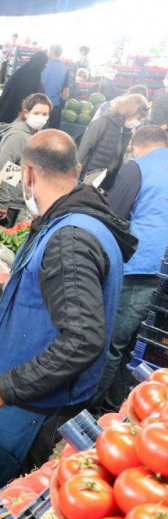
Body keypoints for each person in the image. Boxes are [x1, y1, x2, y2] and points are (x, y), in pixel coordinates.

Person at [0, 130, 136, 513]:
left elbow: (82, 339)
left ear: (27, 174)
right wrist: (0, 296)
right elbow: (61, 294)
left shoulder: (70, 238)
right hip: (31, 396)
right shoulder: (82, 220)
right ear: (76, 170)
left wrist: (6, 388)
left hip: (35, 406)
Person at [93, 126, 168, 411]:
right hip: (163, 273)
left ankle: (88, 409)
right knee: (139, 343)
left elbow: (113, 217)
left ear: (137, 146)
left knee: (112, 343)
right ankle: (116, 405)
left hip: (140, 268)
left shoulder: (138, 166)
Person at [0, 93, 52, 226]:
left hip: (15, 197)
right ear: (26, 113)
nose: (41, 117)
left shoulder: (33, 133)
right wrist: (4, 202)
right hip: (5, 201)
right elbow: (4, 169)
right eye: (37, 113)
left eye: (45, 114)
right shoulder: (18, 136)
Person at [78, 94, 149, 190]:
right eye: (138, 118)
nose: (138, 122)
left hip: (107, 178)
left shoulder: (126, 131)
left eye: (141, 119)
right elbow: (84, 148)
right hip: (90, 174)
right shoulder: (103, 122)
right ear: (128, 111)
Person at [0, 51, 47, 136]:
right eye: (44, 63)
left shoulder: (20, 72)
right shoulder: (35, 79)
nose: (44, 66)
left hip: (8, 115)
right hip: (20, 120)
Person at [41, 44, 70, 129]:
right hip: (54, 107)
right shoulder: (65, 69)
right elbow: (65, 94)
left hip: (39, 103)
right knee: (51, 136)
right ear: (60, 53)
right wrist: (62, 104)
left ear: (51, 52)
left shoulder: (43, 65)